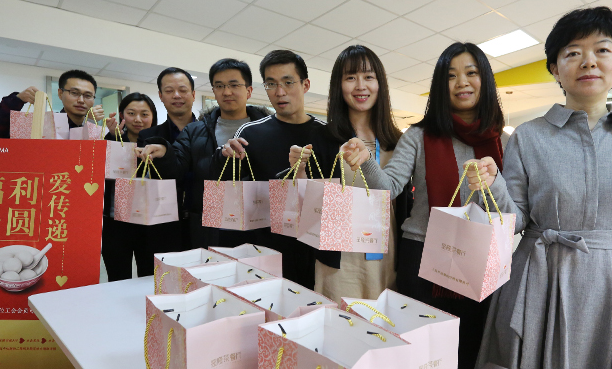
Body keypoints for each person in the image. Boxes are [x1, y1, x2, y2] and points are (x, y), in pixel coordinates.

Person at [473, 7, 612, 369]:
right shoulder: (528, 136)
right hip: (539, 282)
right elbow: (515, 220)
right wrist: (491, 186)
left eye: (602, 50)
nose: (588, 61)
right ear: (555, 69)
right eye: (572, 52)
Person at [342, 42, 508, 369]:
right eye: (451, 75)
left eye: (471, 73)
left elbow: (514, 213)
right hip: (422, 256)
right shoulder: (418, 135)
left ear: (485, 80)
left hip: (480, 257)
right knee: (421, 352)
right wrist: (366, 161)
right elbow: (389, 188)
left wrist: (495, 181)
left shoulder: (503, 141)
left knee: (470, 347)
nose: (461, 82)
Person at [287, 45, 411, 302]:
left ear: (380, 84)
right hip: (340, 258)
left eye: (368, 77)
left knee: (381, 321)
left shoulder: (397, 141)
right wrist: (298, 171)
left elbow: (401, 199)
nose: (360, 86)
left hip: (386, 252)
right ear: (339, 85)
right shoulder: (322, 137)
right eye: (351, 77)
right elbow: (306, 205)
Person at [221, 50, 337, 289]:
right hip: (264, 254)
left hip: (315, 256)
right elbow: (232, 195)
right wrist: (223, 155)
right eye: (271, 84)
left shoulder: (329, 136)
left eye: (288, 82)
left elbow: (337, 201)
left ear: (305, 85)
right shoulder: (250, 134)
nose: (279, 92)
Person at [136, 59, 270, 249]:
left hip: (257, 226)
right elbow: (177, 169)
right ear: (213, 91)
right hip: (209, 228)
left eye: (234, 85)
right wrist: (165, 153)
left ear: (248, 91)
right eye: (219, 86)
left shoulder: (266, 129)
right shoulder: (195, 131)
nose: (227, 92)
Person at [137, 67, 197, 250]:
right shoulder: (148, 136)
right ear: (161, 96)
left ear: (193, 94)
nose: (176, 95)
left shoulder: (208, 132)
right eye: (169, 91)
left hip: (202, 223)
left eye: (183, 90)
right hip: (162, 223)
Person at [100, 93, 159, 281]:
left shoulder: (160, 144)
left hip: (150, 222)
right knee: (117, 277)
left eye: (144, 114)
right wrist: (112, 136)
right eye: (131, 113)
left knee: (149, 276)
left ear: (153, 116)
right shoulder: (111, 141)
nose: (138, 119)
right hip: (116, 221)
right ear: (122, 115)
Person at [0, 69, 105, 138]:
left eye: (88, 95)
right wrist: (17, 99)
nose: (81, 100)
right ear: (60, 93)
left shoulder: (99, 131)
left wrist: (90, 123)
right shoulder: (43, 123)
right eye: (74, 93)